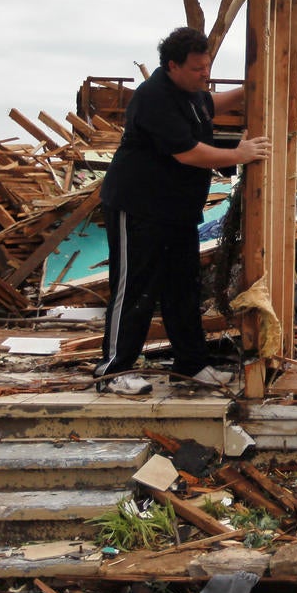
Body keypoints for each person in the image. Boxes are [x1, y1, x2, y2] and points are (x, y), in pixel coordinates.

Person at [94, 27, 271, 395]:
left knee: (182, 290)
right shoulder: (155, 97)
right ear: (172, 66)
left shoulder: (190, 94)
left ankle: (192, 364)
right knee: (135, 289)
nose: (204, 75)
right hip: (138, 207)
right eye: (197, 69)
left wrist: (252, 88)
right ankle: (113, 371)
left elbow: (211, 105)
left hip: (176, 211)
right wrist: (238, 155)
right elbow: (188, 152)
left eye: (207, 67)